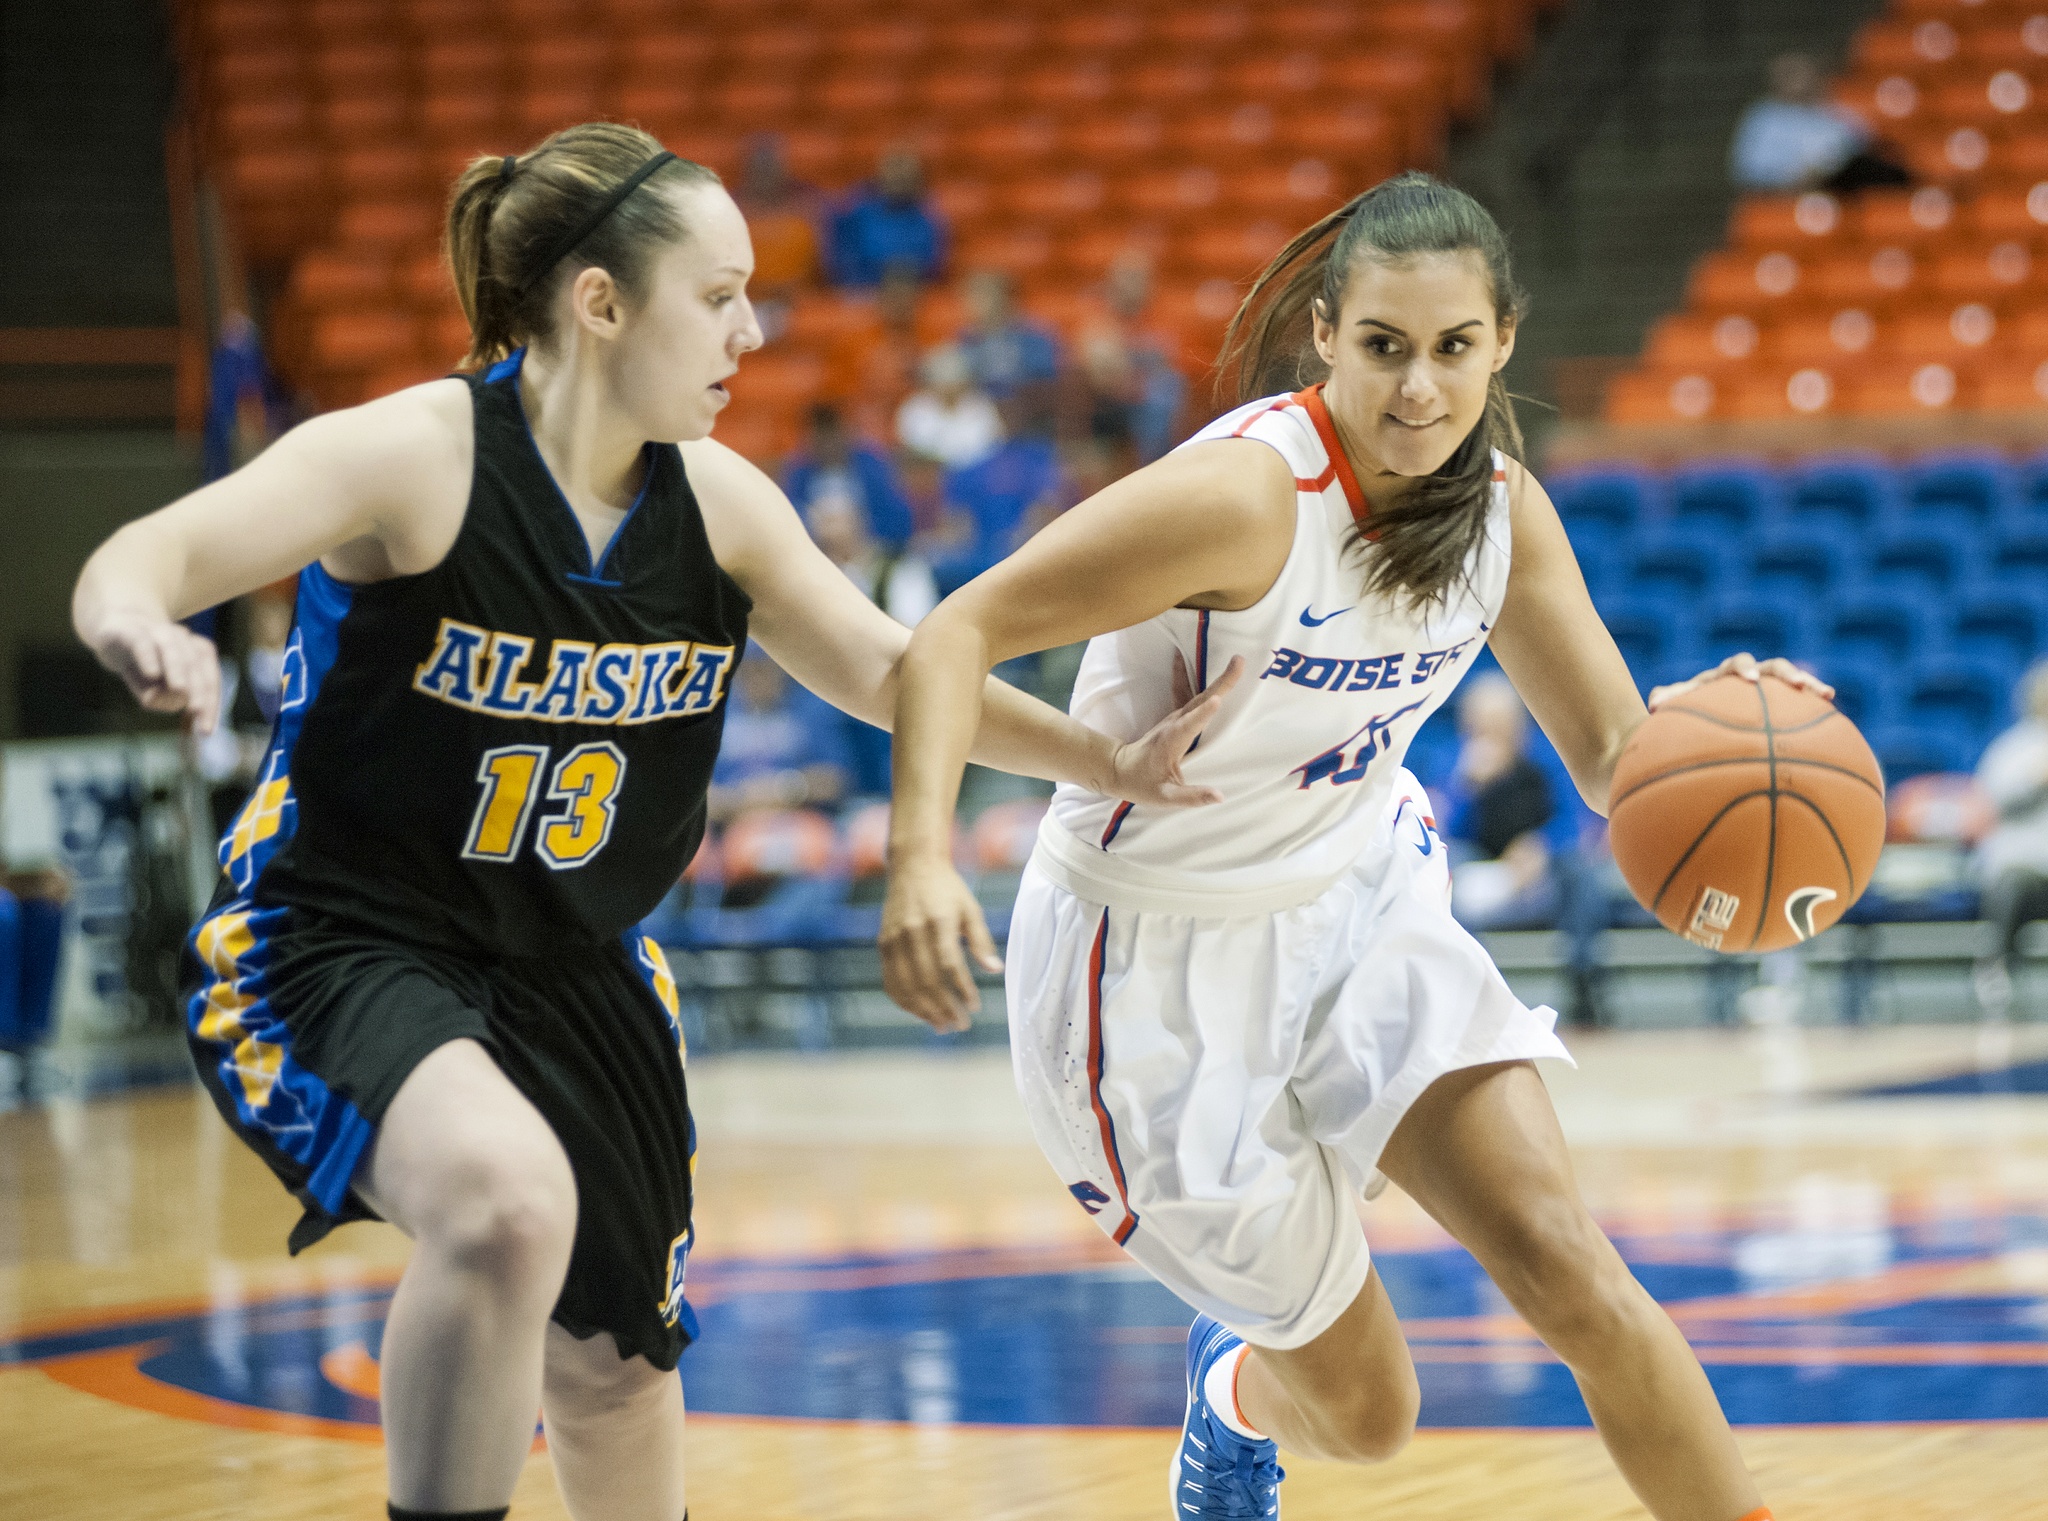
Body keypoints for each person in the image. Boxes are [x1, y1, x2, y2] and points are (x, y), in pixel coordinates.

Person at [69, 121, 1229, 1521]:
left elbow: (888, 670)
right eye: (720, 293)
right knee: (503, 1206)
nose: (755, 326)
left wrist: (1104, 758)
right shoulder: (417, 458)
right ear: (598, 301)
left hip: (578, 963)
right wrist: (139, 622)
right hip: (343, 937)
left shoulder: (723, 504)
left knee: (614, 1360)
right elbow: (154, 552)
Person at [878, 172, 1819, 1521]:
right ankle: (1230, 1397)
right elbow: (955, 630)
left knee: (1572, 1268)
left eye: (1451, 348)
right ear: (1326, 333)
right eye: (1383, 346)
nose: (1418, 389)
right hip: (1148, 962)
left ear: (1503, 341)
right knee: (1372, 1418)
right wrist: (920, 857)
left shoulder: (1503, 512)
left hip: (1357, 896)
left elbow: (1616, 759)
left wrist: (1734, 752)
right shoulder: (1243, 501)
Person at [1442, 671, 1559, 930]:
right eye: (1483, 724)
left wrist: (1541, 846)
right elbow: (1447, 836)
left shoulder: (1543, 763)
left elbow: (1570, 822)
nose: (1491, 733)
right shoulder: (1454, 766)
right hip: (1477, 874)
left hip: (1535, 874)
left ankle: (1583, 966)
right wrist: (1467, 789)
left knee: (1577, 875)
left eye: (1500, 724)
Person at [1974, 658, 2048, 1018]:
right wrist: (2034, 780)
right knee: (2012, 884)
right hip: (2026, 866)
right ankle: (1995, 967)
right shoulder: (2012, 748)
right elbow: (1991, 803)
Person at [1730, 52, 1910, 194]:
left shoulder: (1834, 112)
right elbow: (1748, 169)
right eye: (1789, 75)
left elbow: (1867, 142)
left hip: (1840, 189)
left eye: (1800, 74)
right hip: (1786, 197)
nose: (1799, 82)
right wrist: (1798, 176)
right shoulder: (1764, 118)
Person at [708, 645, 852, 822]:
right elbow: (697, 791)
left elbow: (835, 780)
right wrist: (739, 798)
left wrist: (783, 789)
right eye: (747, 669)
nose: (756, 678)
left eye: (763, 668)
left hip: (801, 821)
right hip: (729, 826)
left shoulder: (811, 708)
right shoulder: (715, 711)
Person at [781, 401, 914, 546]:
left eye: (832, 436)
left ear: (844, 433)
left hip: (868, 549)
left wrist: (859, 531)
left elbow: (898, 519)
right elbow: (789, 520)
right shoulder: (800, 472)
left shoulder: (871, 466)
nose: (828, 446)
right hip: (818, 551)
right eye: (821, 438)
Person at [827, 145, 947, 289]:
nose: (899, 178)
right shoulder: (856, 212)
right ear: (880, 174)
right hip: (861, 291)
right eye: (894, 171)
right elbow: (842, 258)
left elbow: (934, 266)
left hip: (913, 292)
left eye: (905, 175)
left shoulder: (930, 219)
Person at [956, 268, 1062, 429]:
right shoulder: (966, 339)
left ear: (1004, 298)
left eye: (983, 295)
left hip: (1028, 411)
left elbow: (1044, 375)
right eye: (972, 296)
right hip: (982, 411)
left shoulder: (1035, 334)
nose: (974, 303)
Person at [895, 343, 1003, 470]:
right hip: (929, 475)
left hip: (974, 475)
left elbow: (989, 448)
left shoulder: (982, 406)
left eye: (954, 380)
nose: (949, 387)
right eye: (942, 380)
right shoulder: (914, 408)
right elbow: (912, 448)